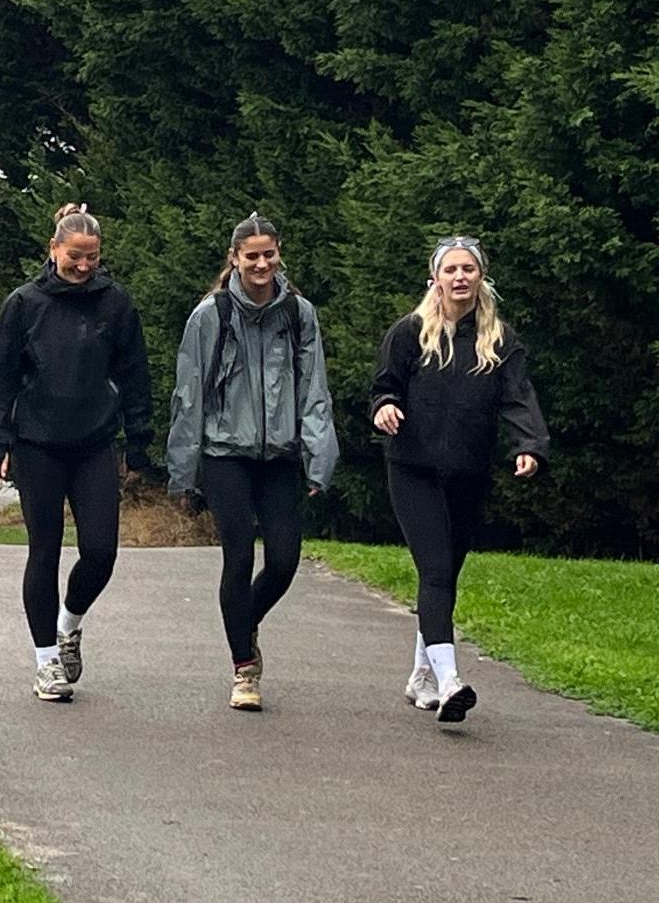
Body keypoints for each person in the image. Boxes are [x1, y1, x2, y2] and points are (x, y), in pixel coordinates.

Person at [0, 203, 154, 702]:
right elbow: (0, 379)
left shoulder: (116, 304)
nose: (83, 265)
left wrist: (139, 440)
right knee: (45, 549)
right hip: (38, 445)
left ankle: (68, 625)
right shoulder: (24, 304)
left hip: (95, 443)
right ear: (53, 249)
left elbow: (135, 374)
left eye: (91, 257)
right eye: (74, 255)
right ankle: (46, 663)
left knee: (100, 552)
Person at [370, 235, 549, 722]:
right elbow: (384, 385)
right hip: (414, 468)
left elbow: (518, 397)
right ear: (436, 279)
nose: (460, 277)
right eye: (451, 269)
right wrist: (385, 407)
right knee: (434, 571)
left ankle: (421, 676)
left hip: (468, 472)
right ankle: (450, 681)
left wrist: (528, 446)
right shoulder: (410, 332)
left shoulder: (500, 340)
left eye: (468, 268)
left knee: (446, 575)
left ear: (481, 277)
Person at [166, 213, 339, 712]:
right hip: (226, 454)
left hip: (280, 455)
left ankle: (243, 621)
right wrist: (182, 473)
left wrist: (319, 458)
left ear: (279, 254)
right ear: (235, 259)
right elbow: (189, 395)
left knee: (283, 561)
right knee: (238, 557)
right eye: (252, 256)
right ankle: (244, 668)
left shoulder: (298, 314)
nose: (261, 264)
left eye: (269, 254)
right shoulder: (211, 315)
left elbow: (314, 389)